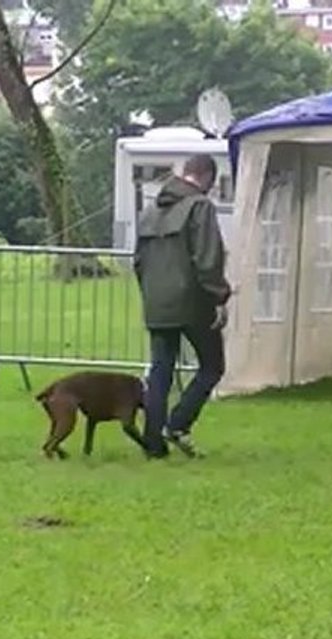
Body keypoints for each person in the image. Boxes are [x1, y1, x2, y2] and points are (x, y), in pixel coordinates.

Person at [134, 154, 231, 459]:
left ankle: (153, 442)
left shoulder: (149, 212)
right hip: (192, 301)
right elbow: (208, 257)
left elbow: (138, 261)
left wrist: (150, 292)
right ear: (207, 179)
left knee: (160, 370)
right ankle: (177, 424)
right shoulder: (199, 207)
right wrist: (219, 296)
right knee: (212, 365)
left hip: (157, 301)